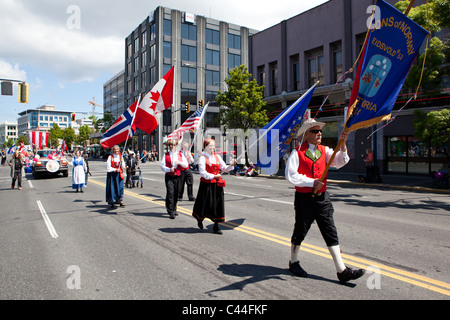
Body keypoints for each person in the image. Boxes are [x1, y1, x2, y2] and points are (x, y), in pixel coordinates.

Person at [285, 118, 365, 284]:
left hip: (322, 198)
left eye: (319, 130)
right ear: (306, 135)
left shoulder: (325, 150)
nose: (319, 133)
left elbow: (341, 162)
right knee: (300, 231)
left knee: (330, 231)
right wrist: (311, 182)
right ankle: (293, 262)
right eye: (314, 131)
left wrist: (342, 145)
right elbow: (291, 175)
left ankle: (341, 270)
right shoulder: (297, 153)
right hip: (304, 199)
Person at [192, 138, 237, 234]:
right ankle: (200, 219)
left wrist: (232, 165)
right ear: (205, 147)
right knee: (204, 204)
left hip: (217, 185)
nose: (212, 147)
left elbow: (224, 168)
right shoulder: (202, 158)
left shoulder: (217, 157)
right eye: (210, 146)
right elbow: (203, 173)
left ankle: (216, 226)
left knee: (217, 205)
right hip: (206, 185)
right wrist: (214, 176)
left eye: (213, 145)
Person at [160, 139, 188, 219]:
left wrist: (179, 162)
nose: (172, 146)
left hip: (178, 176)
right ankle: (170, 210)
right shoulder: (166, 155)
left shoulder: (180, 154)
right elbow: (162, 166)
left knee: (176, 193)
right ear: (169, 146)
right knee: (170, 193)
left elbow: (186, 164)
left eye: (173, 145)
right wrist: (169, 169)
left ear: (176, 146)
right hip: (169, 176)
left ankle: (174, 208)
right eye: (170, 145)